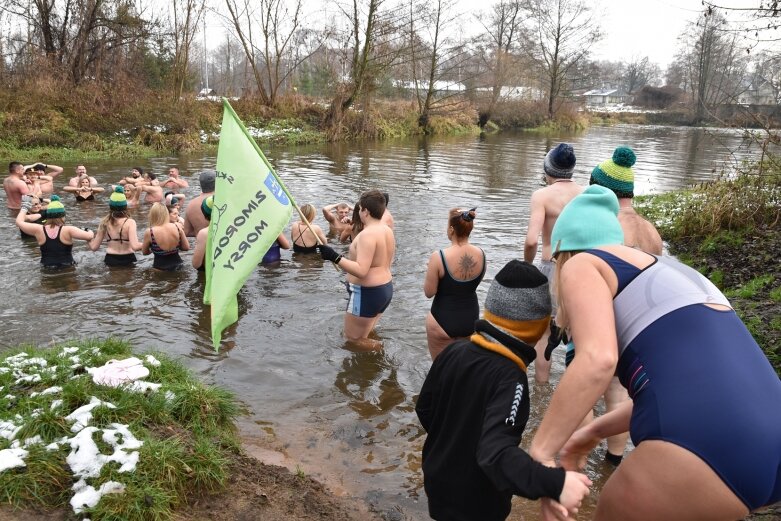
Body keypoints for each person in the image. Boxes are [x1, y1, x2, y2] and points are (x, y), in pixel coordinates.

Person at [528, 185, 781, 521]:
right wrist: (591, 432)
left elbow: (598, 360)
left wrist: (542, 454)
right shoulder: (676, 272)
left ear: (564, 253)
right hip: (767, 454)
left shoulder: (585, 262)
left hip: (703, 445)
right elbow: (684, 391)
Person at [416, 260, 592, 521]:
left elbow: (425, 408)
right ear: (538, 326)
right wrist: (555, 483)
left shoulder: (454, 351)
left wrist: (454, 441)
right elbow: (495, 454)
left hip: (437, 480)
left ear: (490, 312)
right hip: (477, 500)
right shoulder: (511, 378)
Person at [570, 145, 665, 466]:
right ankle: (613, 464)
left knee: (580, 396)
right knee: (618, 393)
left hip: (599, 320)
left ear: (604, 189)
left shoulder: (606, 228)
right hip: (633, 326)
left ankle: (576, 466)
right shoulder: (651, 231)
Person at [523, 143, 583, 383]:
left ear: (548, 169)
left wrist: (527, 267)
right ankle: (576, 389)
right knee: (578, 331)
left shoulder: (542, 196)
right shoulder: (585, 193)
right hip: (581, 268)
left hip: (550, 267)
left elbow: (530, 241)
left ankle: (541, 390)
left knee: (545, 335)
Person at [317, 190, 395, 351]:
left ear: (365, 211)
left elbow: (361, 270)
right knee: (367, 333)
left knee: (352, 339)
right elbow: (389, 261)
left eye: (360, 209)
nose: (358, 212)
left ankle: (389, 354)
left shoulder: (367, 235)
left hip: (367, 292)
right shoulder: (386, 230)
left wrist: (334, 256)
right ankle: (372, 367)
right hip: (385, 288)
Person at [423, 208, 486, 360]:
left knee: (440, 372)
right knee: (462, 371)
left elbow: (429, 292)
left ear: (451, 229)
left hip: (442, 320)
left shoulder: (438, 257)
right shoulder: (481, 254)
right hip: (470, 320)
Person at [15, 195, 94, 267]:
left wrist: (24, 207)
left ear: (48, 215)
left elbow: (19, 222)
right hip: (67, 267)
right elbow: (90, 236)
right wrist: (87, 230)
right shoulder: (68, 229)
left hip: (46, 267)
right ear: (63, 215)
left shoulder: (39, 229)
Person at [88, 186, 143, 267]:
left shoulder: (104, 222)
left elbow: (94, 247)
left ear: (110, 206)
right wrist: (149, 243)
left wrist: (88, 237)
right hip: (128, 258)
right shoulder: (130, 222)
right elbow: (135, 246)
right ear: (125, 206)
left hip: (110, 259)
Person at [141, 202, 190, 271]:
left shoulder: (150, 232)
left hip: (160, 269)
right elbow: (186, 247)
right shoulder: (177, 226)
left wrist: (154, 249)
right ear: (166, 213)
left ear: (153, 215)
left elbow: (145, 252)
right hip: (178, 265)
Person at [183, 170, 215, 237]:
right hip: (222, 245)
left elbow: (186, 232)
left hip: (201, 244)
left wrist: (198, 230)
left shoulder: (191, 204)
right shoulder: (221, 200)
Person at [191, 196, 213, 271]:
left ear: (205, 215)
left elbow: (196, 264)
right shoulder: (234, 227)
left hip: (211, 275)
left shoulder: (204, 233)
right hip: (232, 277)